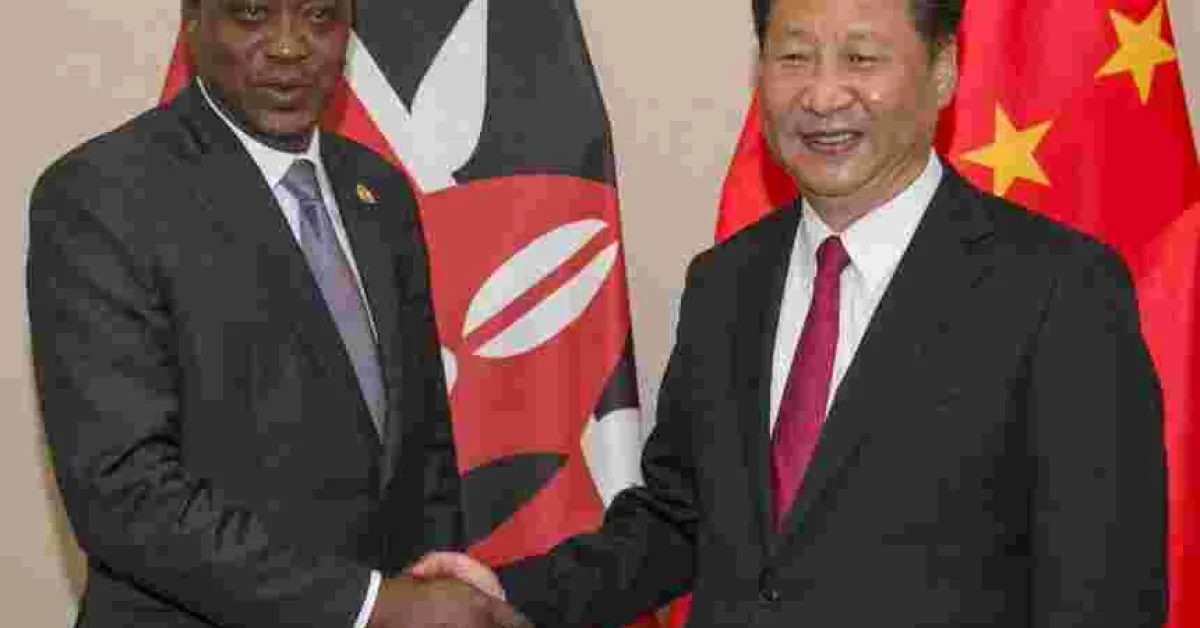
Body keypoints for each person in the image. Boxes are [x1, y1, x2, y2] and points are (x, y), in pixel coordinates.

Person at [411, 0, 1168, 626]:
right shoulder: (726, 283)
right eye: (795, 57)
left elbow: (1102, 593)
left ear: (943, 71)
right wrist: (508, 596)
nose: (824, 95)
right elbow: (680, 521)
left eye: (862, 58)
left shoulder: (1058, 290)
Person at [26, 1, 521, 627]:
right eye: (253, 13)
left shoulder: (380, 192)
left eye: (320, 16)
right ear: (193, 22)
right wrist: (373, 607)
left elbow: (423, 451)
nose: (289, 46)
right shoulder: (103, 194)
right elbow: (124, 491)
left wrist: (436, 580)